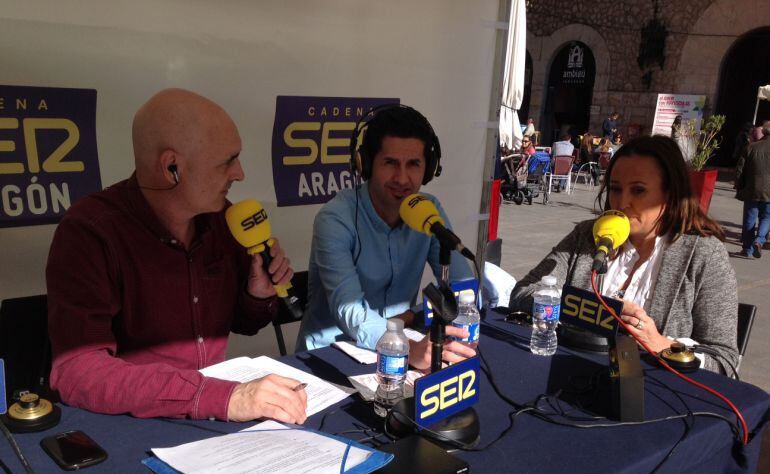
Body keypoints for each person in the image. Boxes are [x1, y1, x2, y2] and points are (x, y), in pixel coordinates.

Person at [46, 89, 308, 424]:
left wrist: (256, 295)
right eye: (227, 161)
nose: (239, 173)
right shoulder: (91, 231)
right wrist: (222, 397)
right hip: (134, 425)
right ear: (172, 167)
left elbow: (245, 323)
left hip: (212, 419)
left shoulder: (224, 220)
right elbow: (77, 372)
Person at [509, 135, 738, 374]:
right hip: (571, 371)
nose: (622, 201)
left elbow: (724, 362)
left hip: (655, 394)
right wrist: (591, 311)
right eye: (616, 189)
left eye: (639, 190)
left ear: (670, 195)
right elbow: (523, 293)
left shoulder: (703, 254)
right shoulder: (587, 235)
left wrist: (663, 346)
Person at [297, 105, 476, 370]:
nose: (402, 178)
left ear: (429, 169)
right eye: (390, 163)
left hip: (402, 346)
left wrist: (447, 328)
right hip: (332, 357)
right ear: (366, 164)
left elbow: (463, 287)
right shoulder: (335, 219)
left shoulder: (429, 210)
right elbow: (350, 311)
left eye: (414, 164)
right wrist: (407, 346)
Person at [735, 121, 770, 258]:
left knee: (749, 219)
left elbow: (740, 169)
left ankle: (747, 249)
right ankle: (760, 240)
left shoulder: (751, 148)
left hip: (751, 189)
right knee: (767, 217)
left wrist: (738, 185)